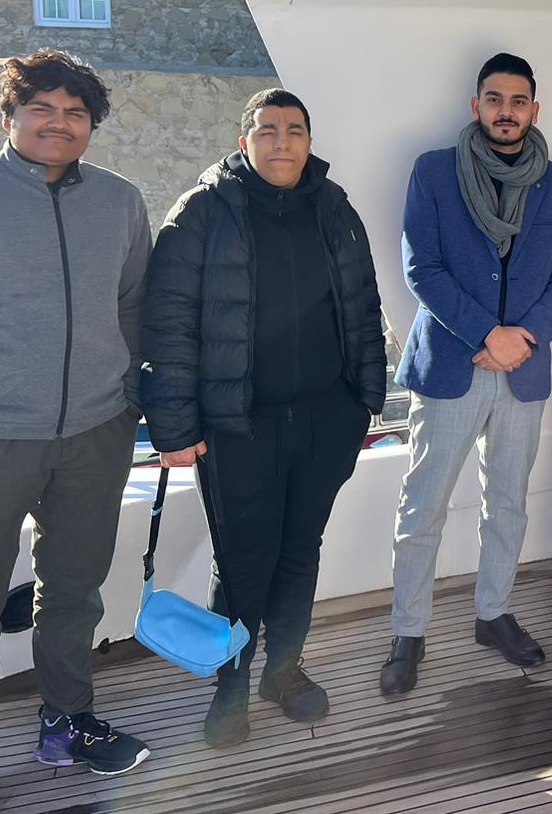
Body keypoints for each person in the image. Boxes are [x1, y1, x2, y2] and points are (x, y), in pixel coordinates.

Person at [0, 52, 152, 814]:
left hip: (95, 433)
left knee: (73, 593)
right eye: (42, 108)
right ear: (9, 116)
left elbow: (134, 307)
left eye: (75, 112)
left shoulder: (122, 202)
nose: (59, 122)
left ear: (91, 125)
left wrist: (127, 404)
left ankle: (65, 724)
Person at [141, 88, 387, 746]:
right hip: (236, 430)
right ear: (243, 140)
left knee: (300, 553)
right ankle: (230, 690)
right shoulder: (202, 211)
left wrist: (364, 401)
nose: (283, 142)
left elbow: (363, 307)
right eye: (268, 129)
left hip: (325, 421)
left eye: (295, 130)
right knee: (243, 563)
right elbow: (167, 324)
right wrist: (175, 427)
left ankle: (284, 673)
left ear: (309, 140)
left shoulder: (334, 209)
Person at [380, 54, 552, 690]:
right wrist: (486, 334)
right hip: (452, 365)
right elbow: (421, 267)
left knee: (509, 505)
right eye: (494, 99)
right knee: (425, 505)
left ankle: (493, 614)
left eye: (518, 101)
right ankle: (408, 631)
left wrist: (522, 338)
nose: (506, 111)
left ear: (534, 110)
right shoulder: (434, 172)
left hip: (523, 368)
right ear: (476, 106)